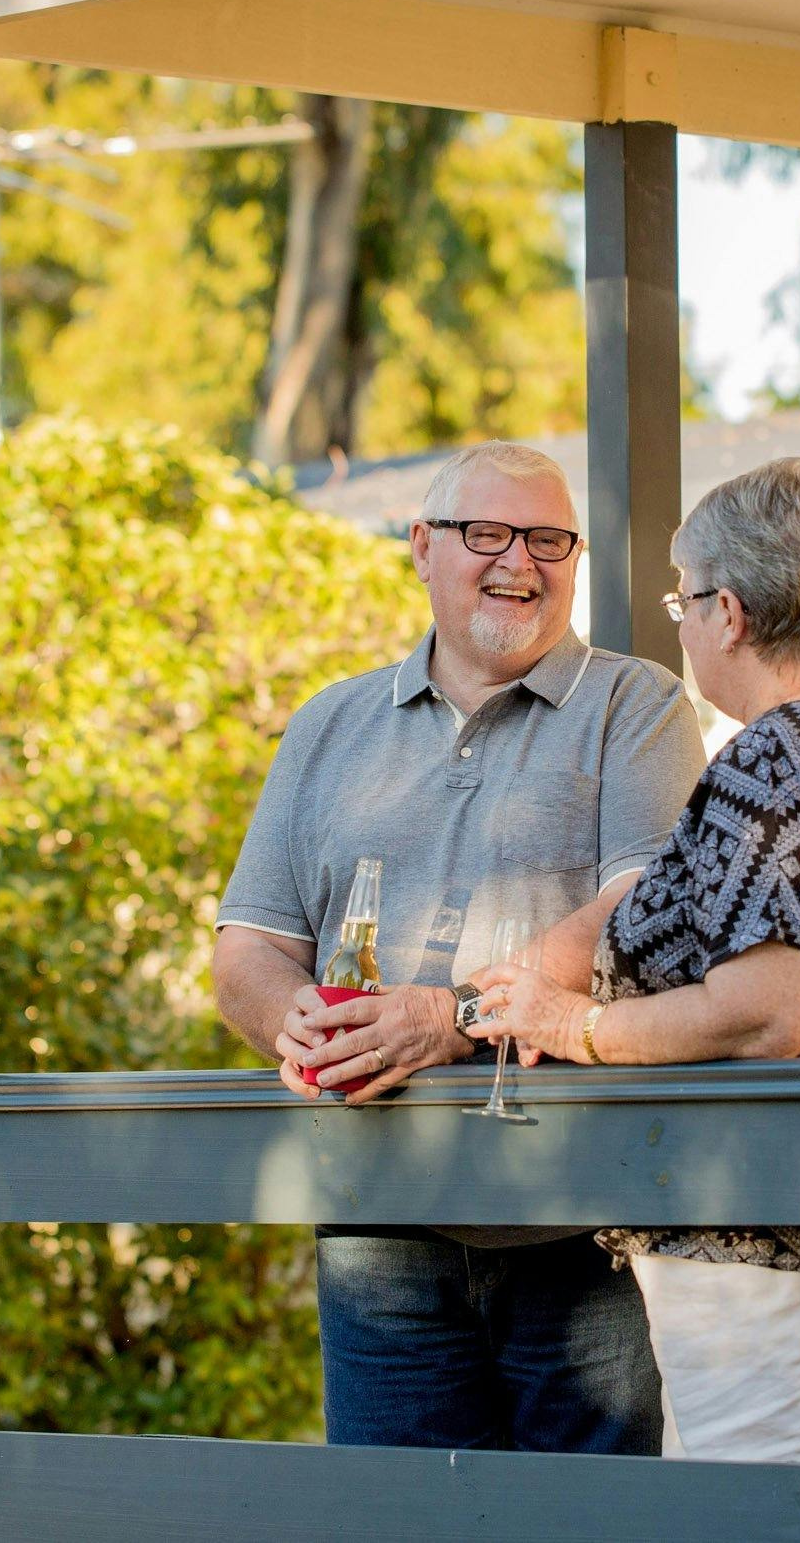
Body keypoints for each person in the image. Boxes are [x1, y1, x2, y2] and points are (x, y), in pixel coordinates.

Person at [468, 455, 800, 1469]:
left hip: (795, 1269)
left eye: (680, 597)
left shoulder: (778, 754)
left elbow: (775, 1006)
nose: (678, 621)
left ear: (731, 612)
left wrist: (569, 1025)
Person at [211, 439, 705, 1454]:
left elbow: (641, 901)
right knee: (398, 1531)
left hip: (577, 1221)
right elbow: (249, 941)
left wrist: (450, 1016)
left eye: (547, 539)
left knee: (586, 1539)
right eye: (486, 533)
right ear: (421, 547)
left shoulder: (636, 704)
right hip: (374, 1217)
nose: (518, 562)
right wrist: (284, 1012)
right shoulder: (327, 725)